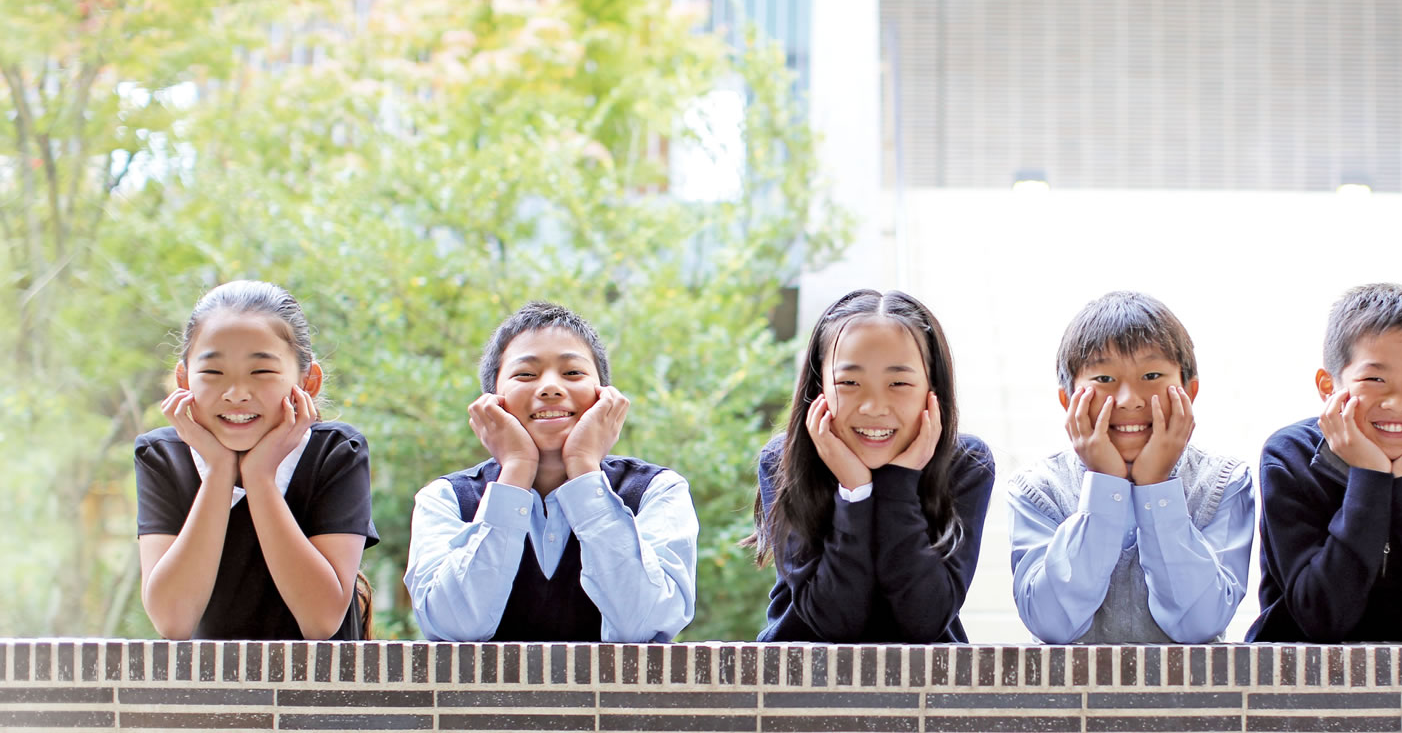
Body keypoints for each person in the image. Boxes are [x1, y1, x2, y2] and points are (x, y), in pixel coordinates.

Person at [404, 301, 697, 642]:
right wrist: (516, 469)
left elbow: (646, 625)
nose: (550, 388)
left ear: (604, 396)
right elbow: (453, 626)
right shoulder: (445, 499)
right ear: (491, 401)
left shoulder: (657, 491)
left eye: (572, 373)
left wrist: (585, 471)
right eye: (526, 374)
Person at [1246, 283, 1402, 643]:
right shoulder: (1291, 456)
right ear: (1328, 386)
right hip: (1300, 685)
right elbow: (1321, 617)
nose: (1396, 401)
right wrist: (1370, 476)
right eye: (1374, 378)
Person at [1008, 291, 1254, 643]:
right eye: (1104, 380)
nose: (1129, 400)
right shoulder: (1037, 488)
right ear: (1067, 399)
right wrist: (1106, 485)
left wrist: (1155, 487)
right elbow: (1052, 623)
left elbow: (1199, 623)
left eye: (1152, 374)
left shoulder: (1225, 482)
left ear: (1189, 391)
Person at [136, 280, 377, 639]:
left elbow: (322, 621)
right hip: (210, 691)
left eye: (262, 372)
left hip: (320, 691)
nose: (236, 394)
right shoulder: (162, 456)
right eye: (213, 373)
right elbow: (173, 621)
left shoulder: (336, 452)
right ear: (184, 380)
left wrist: (260, 476)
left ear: (307, 382)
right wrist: (218, 470)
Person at [750, 289, 994, 642]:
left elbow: (924, 621)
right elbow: (833, 623)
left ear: (933, 387)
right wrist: (855, 491)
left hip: (927, 689)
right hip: (794, 684)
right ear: (820, 387)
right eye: (849, 383)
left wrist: (897, 484)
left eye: (899, 383)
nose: (874, 406)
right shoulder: (784, 460)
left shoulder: (966, 463)